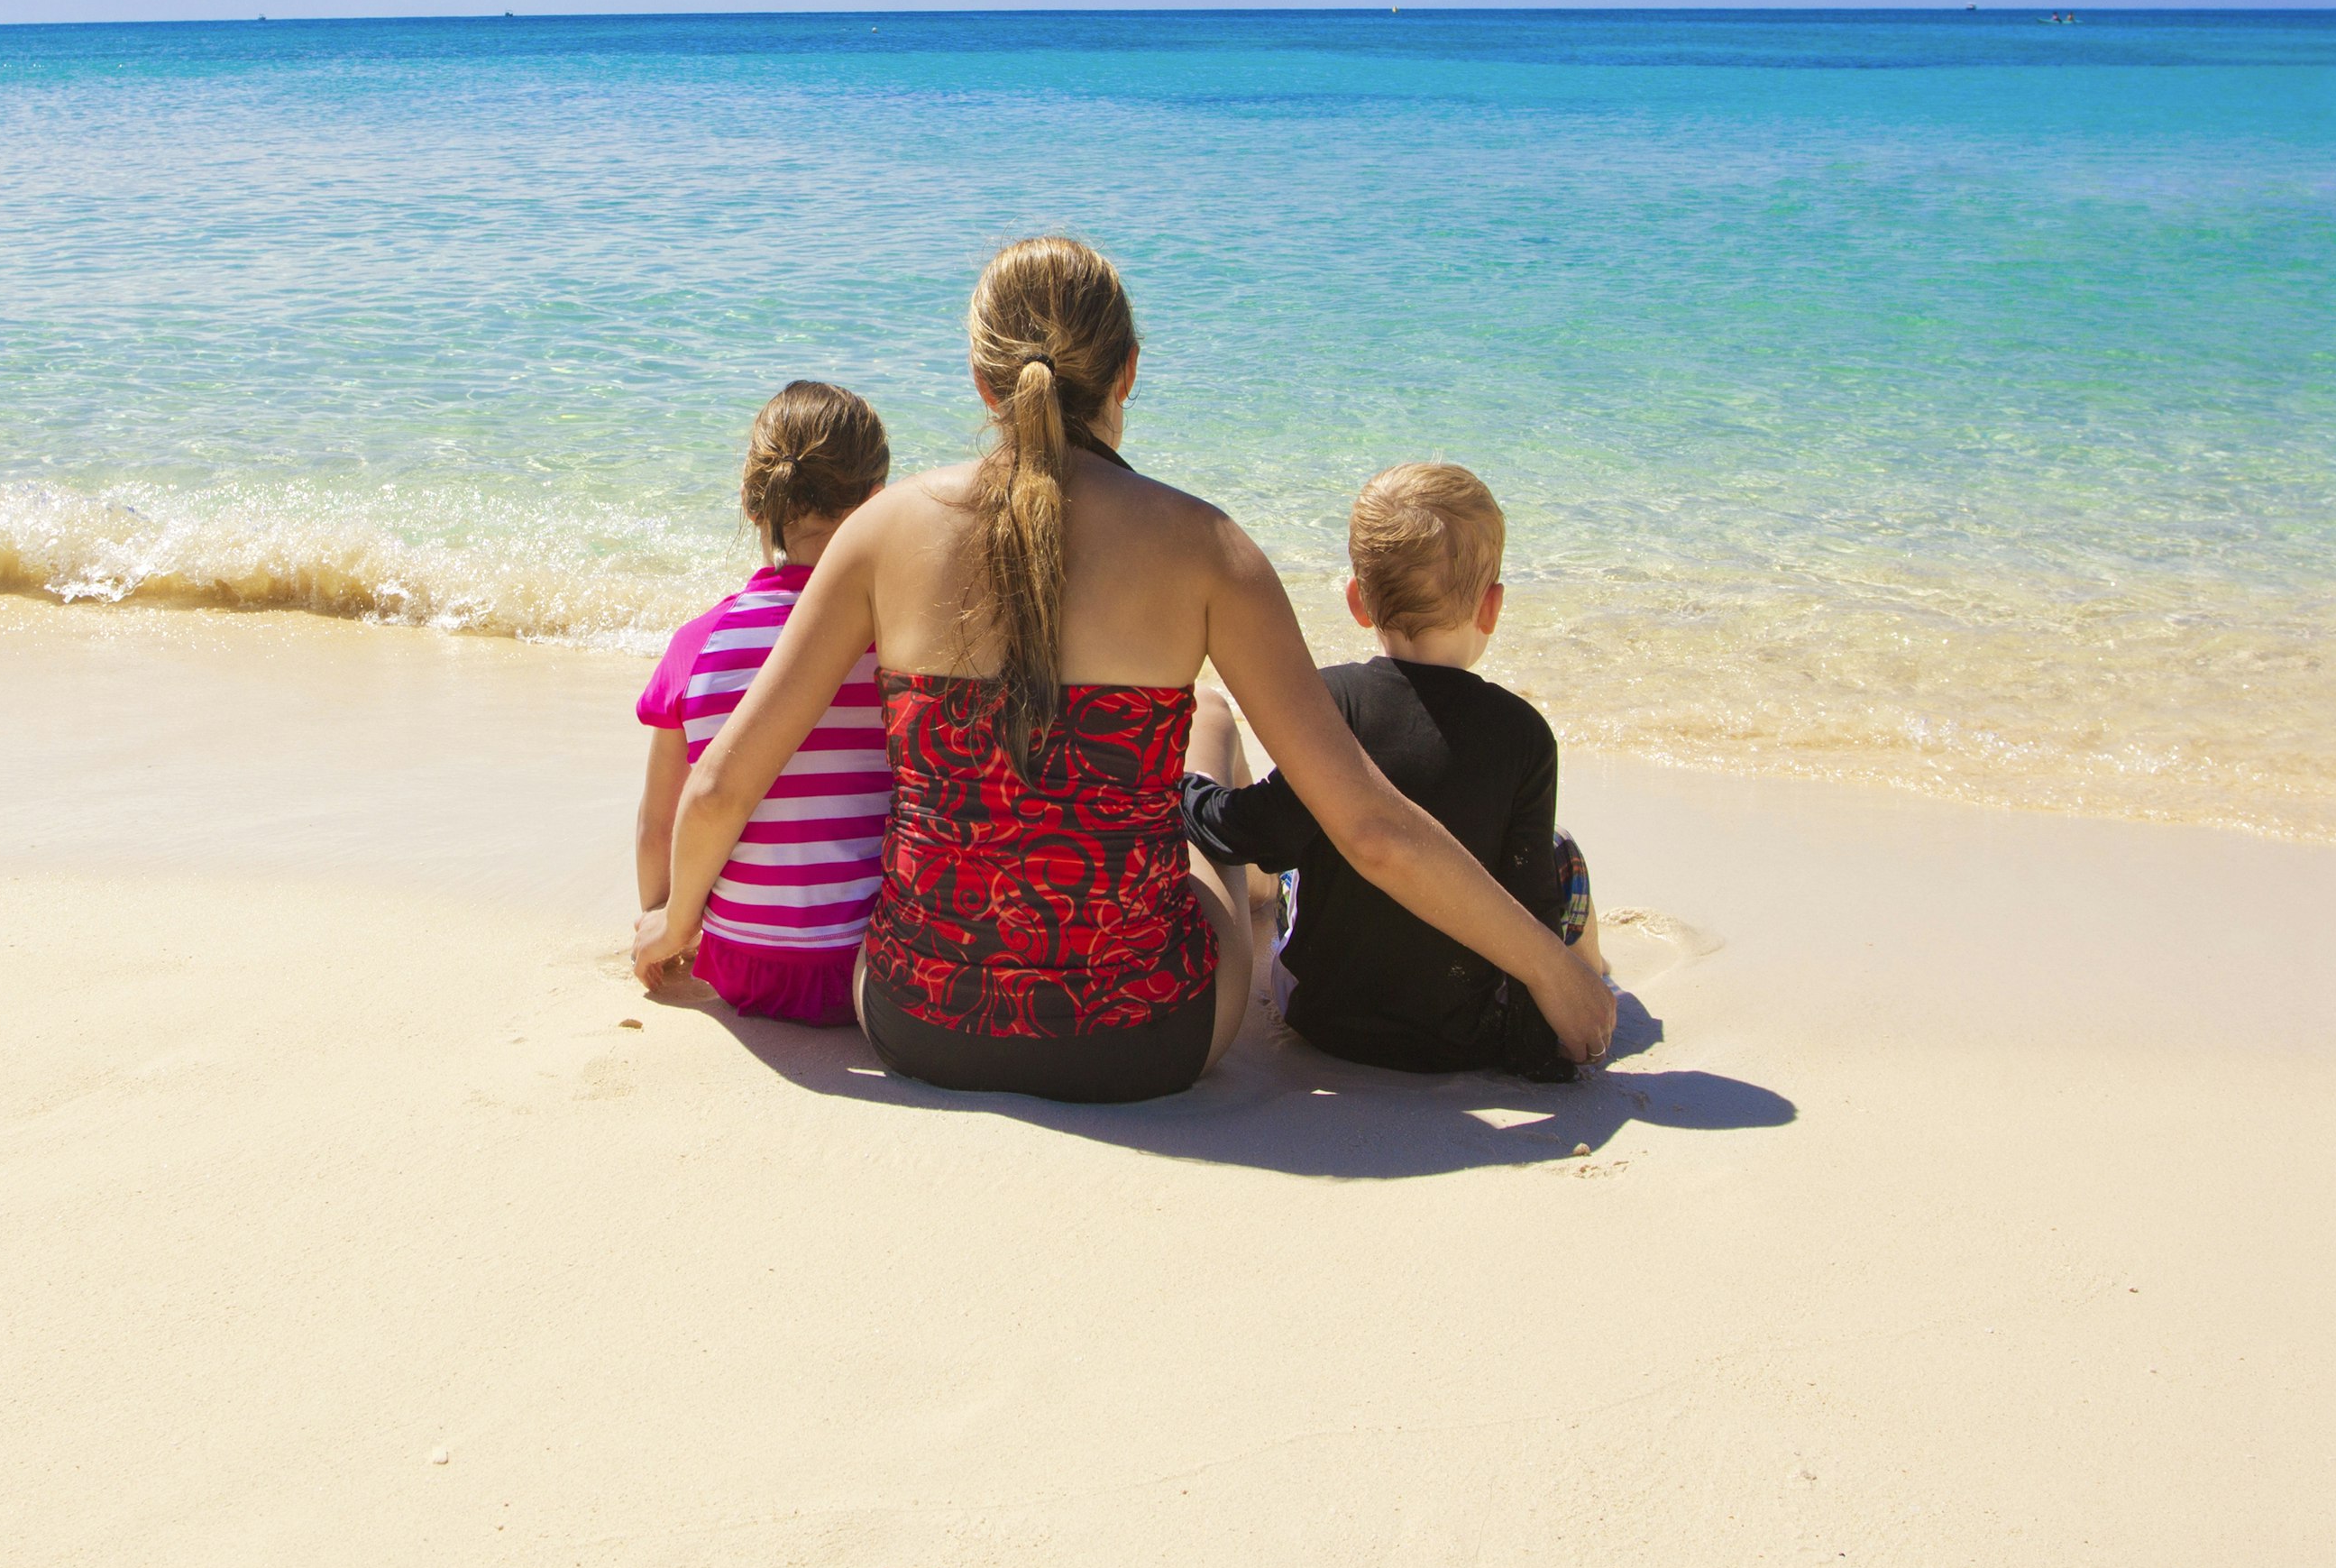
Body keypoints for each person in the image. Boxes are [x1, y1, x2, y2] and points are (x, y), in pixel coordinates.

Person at [640, 238, 1613, 1102]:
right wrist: (1551, 970)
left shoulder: (882, 533)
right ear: (1130, 372)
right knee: (1213, 733)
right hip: (1144, 1039)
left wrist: (670, 929)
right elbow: (1366, 825)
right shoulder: (1206, 547)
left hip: (913, 1017)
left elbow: (725, 779)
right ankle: (1273, 902)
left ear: (984, 386)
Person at [1180, 463, 1609, 1086]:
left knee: (1313, 838)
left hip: (1322, 1016)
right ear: (1491, 608)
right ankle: (1589, 975)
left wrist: (1189, 792)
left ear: (1357, 600)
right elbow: (1532, 904)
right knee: (1558, 847)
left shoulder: (1333, 702)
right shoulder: (1523, 735)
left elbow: (1256, 833)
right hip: (1466, 1036)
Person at [629, 382, 895, 1024]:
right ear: (877, 504)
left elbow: (658, 824)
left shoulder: (700, 642)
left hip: (742, 964)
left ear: (755, 504)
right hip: (880, 966)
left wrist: (666, 922)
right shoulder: (898, 641)